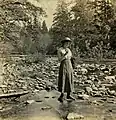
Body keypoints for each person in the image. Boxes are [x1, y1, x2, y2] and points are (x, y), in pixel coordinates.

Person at [57, 37, 75, 103]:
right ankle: (61, 95)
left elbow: (71, 58)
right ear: (63, 43)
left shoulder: (69, 50)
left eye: (68, 43)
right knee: (63, 78)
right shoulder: (60, 50)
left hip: (69, 65)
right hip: (63, 64)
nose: (67, 44)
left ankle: (68, 94)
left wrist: (73, 65)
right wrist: (65, 54)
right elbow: (59, 59)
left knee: (69, 78)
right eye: (66, 42)